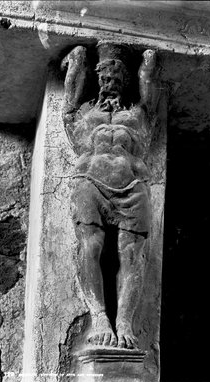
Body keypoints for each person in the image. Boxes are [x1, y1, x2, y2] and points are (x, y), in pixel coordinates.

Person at [62, 42, 159, 349]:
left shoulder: (138, 114)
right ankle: (100, 316)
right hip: (90, 180)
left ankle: (125, 321)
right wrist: (76, 59)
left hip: (132, 185)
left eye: (117, 75)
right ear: (98, 78)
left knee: (132, 255)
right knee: (91, 246)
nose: (110, 81)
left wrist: (147, 62)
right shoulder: (84, 113)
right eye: (104, 74)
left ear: (125, 80)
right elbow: (69, 98)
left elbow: (149, 87)